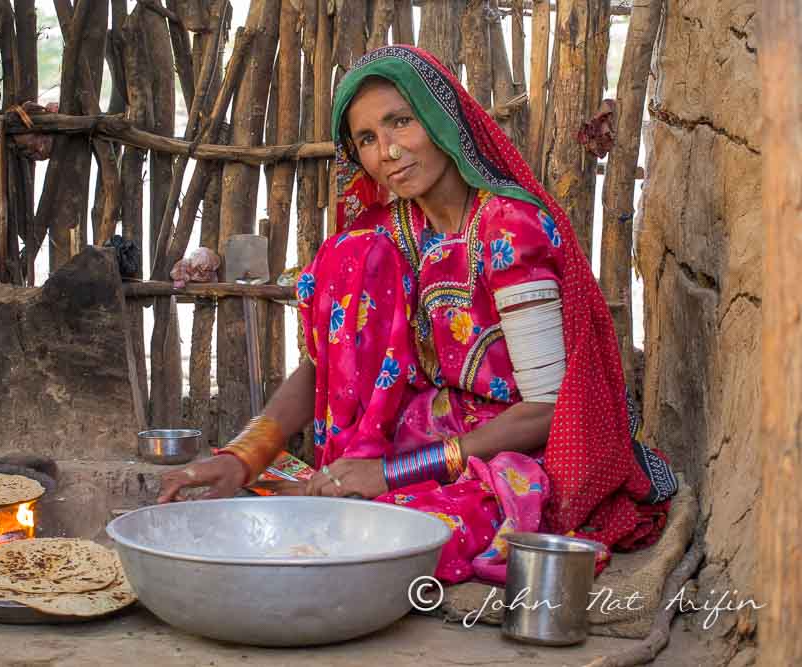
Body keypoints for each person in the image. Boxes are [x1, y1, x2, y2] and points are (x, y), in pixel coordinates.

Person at [157, 45, 676, 584]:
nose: (388, 152)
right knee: (348, 257)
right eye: (366, 139)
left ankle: (354, 492)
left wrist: (389, 474)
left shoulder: (507, 229)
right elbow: (323, 367)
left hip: (513, 447)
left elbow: (547, 409)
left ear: (439, 117)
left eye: (400, 122)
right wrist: (247, 455)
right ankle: (343, 482)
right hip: (420, 430)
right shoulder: (387, 233)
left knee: (394, 538)